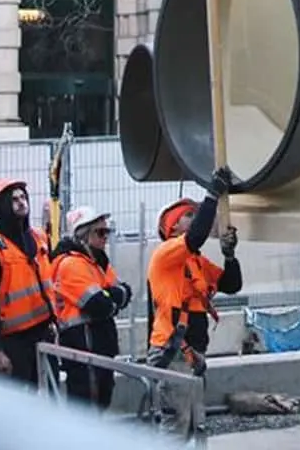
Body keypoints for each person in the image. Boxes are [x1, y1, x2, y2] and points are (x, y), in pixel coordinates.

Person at [146, 168, 241, 434]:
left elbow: (232, 285)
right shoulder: (164, 256)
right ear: (172, 226)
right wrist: (212, 194)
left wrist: (230, 256)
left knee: (192, 429)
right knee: (176, 428)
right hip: (173, 352)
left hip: (192, 354)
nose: (196, 218)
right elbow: (196, 235)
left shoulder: (196, 262)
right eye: (190, 215)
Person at [51, 206, 133, 409]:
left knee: (100, 401)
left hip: (97, 347)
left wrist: (112, 298)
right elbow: (99, 305)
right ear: (84, 235)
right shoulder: (71, 264)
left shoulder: (96, 263)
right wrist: (113, 298)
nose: (105, 237)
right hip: (83, 348)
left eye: (107, 232)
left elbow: (125, 292)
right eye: (100, 232)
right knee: (86, 408)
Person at [0, 178, 58, 388]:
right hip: (14, 342)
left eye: (23, 197)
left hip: (44, 334)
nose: (21, 202)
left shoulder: (39, 238)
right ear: (3, 206)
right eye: (14, 199)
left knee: (50, 395)